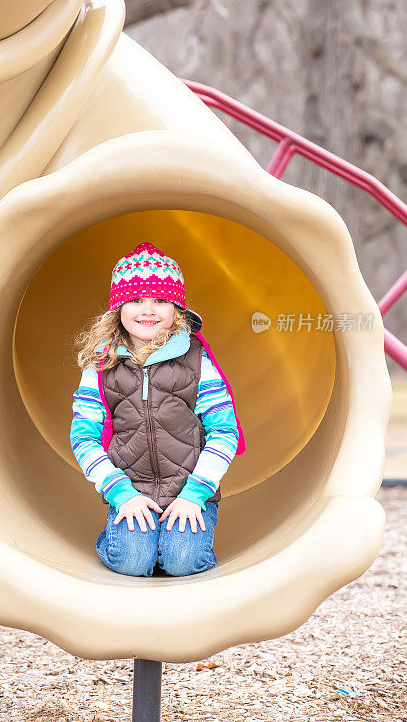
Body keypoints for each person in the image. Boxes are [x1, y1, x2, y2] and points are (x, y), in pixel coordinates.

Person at [70, 241, 245, 577]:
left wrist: (196, 493)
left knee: (182, 562)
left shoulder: (197, 361)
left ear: (176, 310)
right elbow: (84, 436)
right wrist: (119, 492)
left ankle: (175, 544)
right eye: (136, 300)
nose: (148, 310)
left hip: (191, 490)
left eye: (160, 300)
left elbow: (225, 432)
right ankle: (127, 543)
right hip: (132, 492)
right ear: (118, 308)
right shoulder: (102, 365)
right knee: (133, 561)